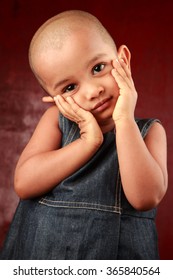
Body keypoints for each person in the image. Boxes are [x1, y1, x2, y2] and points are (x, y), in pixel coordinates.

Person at [1, 10, 167, 260]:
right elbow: (24, 184)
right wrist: (87, 142)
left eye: (98, 68)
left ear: (123, 59)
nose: (92, 91)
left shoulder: (150, 132)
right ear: (54, 98)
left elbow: (145, 198)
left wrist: (124, 121)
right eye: (70, 87)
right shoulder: (55, 121)